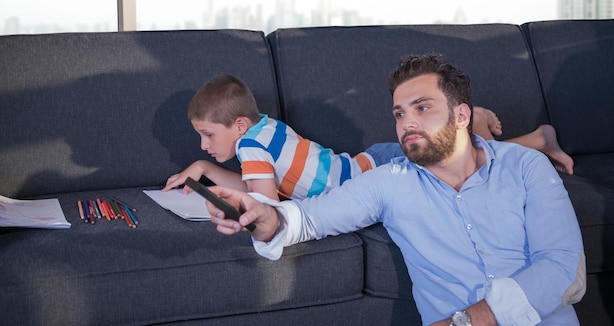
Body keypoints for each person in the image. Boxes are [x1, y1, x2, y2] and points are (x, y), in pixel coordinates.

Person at [205, 53, 586, 326]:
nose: (407, 123)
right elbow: (303, 219)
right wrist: (261, 216)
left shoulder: (526, 166)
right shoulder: (390, 182)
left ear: (461, 115)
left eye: (422, 108)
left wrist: (467, 322)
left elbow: (565, 270)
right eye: (400, 113)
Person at [163, 73, 573, 202]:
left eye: (206, 136)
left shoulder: (251, 145)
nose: (204, 145)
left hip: (376, 171)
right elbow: (259, 184)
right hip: (366, 161)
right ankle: (531, 136)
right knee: (459, 159)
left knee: (468, 164)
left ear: (237, 126)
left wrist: (220, 195)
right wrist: (205, 170)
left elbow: (264, 203)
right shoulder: (262, 127)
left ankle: (481, 126)